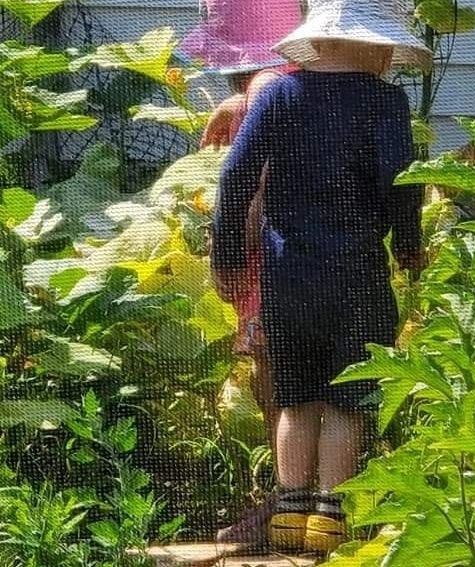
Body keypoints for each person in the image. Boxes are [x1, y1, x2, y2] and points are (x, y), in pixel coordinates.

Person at [210, 0, 429, 556]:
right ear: (372, 48)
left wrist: (229, 254)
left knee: (295, 397)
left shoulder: (280, 95)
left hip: (287, 274)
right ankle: (328, 515)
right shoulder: (383, 100)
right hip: (356, 271)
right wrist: (408, 244)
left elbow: (236, 174)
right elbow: (401, 181)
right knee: (349, 397)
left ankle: (289, 510)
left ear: (320, 41)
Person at [179, 0, 303, 550]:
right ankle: (308, 501)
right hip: (318, 254)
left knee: (278, 379)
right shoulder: (300, 79)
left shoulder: (263, 90)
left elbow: (254, 181)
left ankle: (287, 502)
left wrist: (227, 250)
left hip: (272, 259)